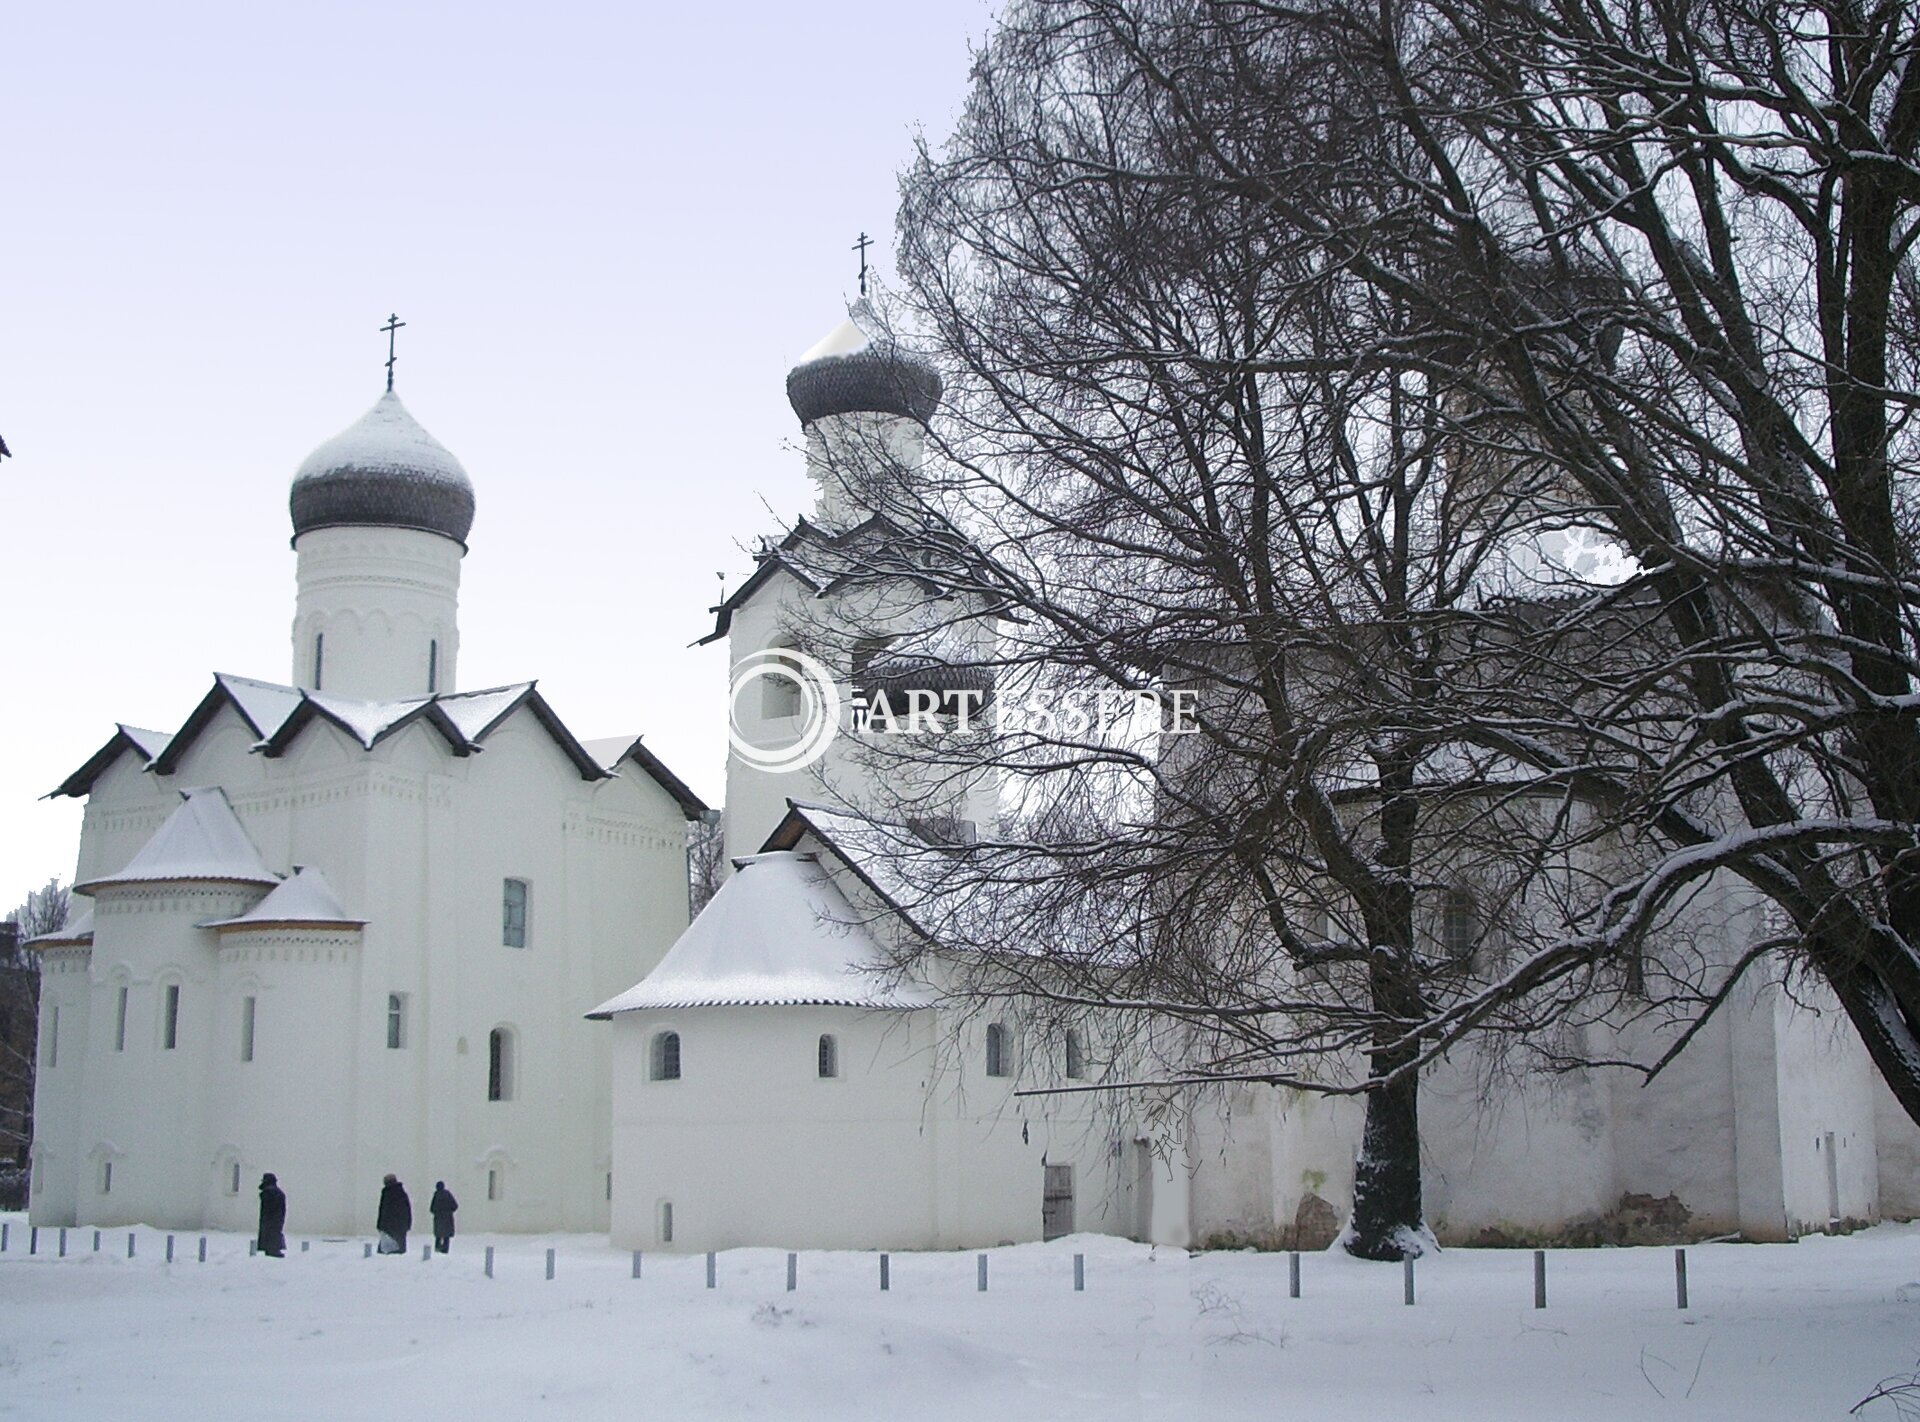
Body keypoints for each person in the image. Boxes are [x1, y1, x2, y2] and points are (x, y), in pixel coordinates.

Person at [376, 1174, 411, 1255]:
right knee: (399, 1250)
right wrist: (407, 1224)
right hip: (401, 1226)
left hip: (388, 1227)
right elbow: (407, 1210)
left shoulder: (387, 1193)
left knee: (384, 1252)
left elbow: (383, 1210)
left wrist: (380, 1224)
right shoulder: (402, 1193)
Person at [256, 1173, 286, 1258]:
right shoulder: (278, 1193)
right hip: (277, 1219)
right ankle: (274, 1248)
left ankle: (271, 1249)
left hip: (269, 1219)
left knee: (269, 1233)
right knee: (274, 1233)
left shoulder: (268, 1193)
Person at [429, 1180, 458, 1253]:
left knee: (438, 1236)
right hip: (448, 1219)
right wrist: (449, 1211)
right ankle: (445, 1250)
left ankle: (437, 1249)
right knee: (446, 1236)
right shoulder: (448, 1194)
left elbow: (432, 1208)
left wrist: (437, 1212)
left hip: (438, 1219)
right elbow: (455, 1206)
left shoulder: (436, 1195)